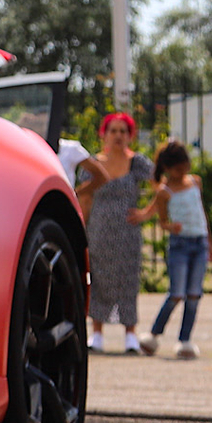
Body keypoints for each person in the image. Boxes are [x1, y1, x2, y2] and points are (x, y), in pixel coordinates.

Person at [74, 111, 154, 354]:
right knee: (98, 280)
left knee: (128, 281)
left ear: (130, 136)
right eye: (113, 131)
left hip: (128, 234)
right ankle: (96, 333)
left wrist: (146, 213)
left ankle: (130, 334)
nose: (118, 136)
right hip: (99, 232)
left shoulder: (138, 163)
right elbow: (85, 199)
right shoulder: (93, 164)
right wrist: (81, 230)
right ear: (104, 135)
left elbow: (161, 188)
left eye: (123, 131)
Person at [145, 139, 208, 358]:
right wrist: (172, 226)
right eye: (178, 168)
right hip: (179, 246)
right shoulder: (164, 192)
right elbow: (162, 222)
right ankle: (153, 335)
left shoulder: (195, 182)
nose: (183, 172)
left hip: (200, 243)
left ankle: (185, 340)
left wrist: (210, 244)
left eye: (185, 167)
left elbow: (202, 214)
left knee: (194, 294)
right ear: (167, 169)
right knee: (176, 293)